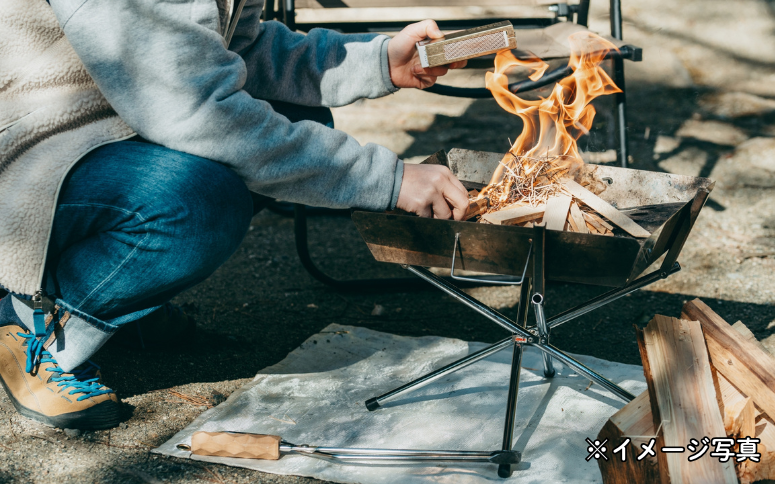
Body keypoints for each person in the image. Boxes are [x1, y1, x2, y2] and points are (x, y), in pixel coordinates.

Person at [0, 0, 470, 430]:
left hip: (115, 117)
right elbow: (198, 111)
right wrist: (387, 179)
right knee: (198, 201)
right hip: (30, 146)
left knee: (296, 117)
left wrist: (379, 59)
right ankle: (34, 326)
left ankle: (116, 303)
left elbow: (240, 49)